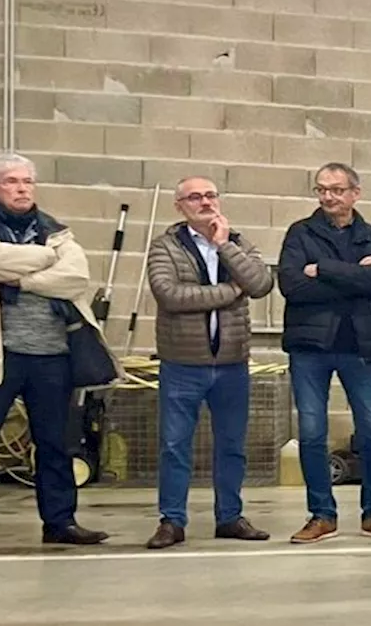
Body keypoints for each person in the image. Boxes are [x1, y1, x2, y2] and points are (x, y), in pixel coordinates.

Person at [0, 153, 117, 557]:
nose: (22, 188)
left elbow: (76, 275)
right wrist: (46, 262)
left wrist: (20, 280)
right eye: (11, 181)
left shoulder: (55, 230)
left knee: (55, 442)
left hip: (52, 355)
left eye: (28, 181)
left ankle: (60, 522)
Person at [143, 176, 275, 549]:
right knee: (174, 444)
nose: (205, 202)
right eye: (195, 197)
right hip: (183, 363)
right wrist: (231, 291)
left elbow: (262, 283)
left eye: (210, 195)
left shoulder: (237, 241)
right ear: (180, 206)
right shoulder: (165, 246)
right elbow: (170, 295)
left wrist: (224, 247)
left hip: (232, 362)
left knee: (232, 445)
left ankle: (230, 517)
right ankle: (172, 521)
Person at [277, 162, 371, 545]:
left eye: (336, 189)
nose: (328, 196)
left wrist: (324, 269)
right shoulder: (300, 234)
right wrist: (352, 277)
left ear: (354, 193)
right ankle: (321, 514)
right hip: (310, 349)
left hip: (361, 347)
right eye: (321, 189)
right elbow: (292, 285)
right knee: (312, 433)